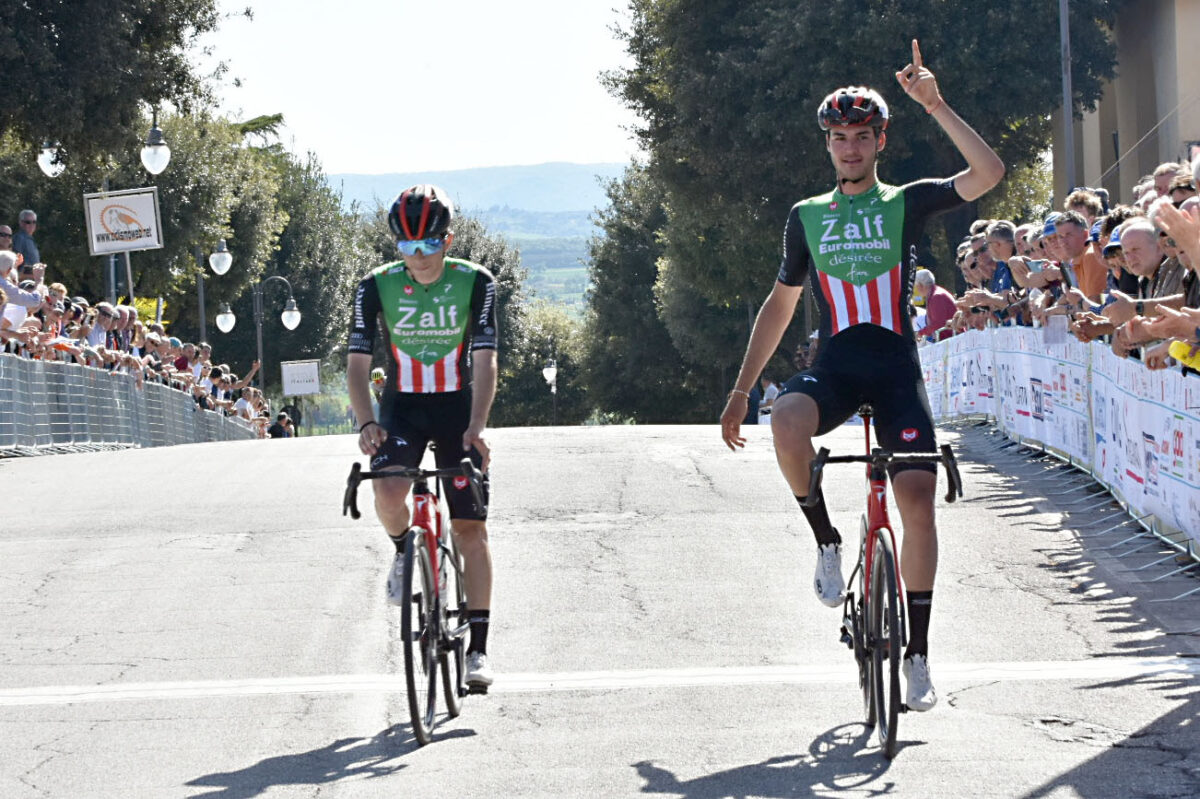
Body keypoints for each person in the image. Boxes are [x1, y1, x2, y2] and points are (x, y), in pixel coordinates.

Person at [719, 40, 1004, 712]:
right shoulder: (806, 216)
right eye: (838, 138)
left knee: (915, 497)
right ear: (829, 144)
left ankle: (919, 654)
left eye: (861, 137)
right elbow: (781, 303)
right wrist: (740, 389)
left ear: (880, 141)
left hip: (898, 367)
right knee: (785, 421)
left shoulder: (906, 202)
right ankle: (825, 539)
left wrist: (935, 103)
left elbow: (988, 172)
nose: (849, 148)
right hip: (838, 367)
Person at [347, 184, 499, 689]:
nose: (418, 258)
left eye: (428, 246)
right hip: (403, 408)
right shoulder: (374, 286)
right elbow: (357, 363)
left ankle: (477, 650)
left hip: (457, 407)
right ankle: (401, 551)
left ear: (447, 240)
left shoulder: (477, 282)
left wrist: (477, 426)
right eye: (407, 248)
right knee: (387, 490)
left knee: (469, 528)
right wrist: (367, 422)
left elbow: (485, 358)